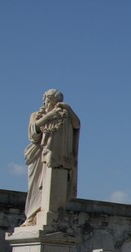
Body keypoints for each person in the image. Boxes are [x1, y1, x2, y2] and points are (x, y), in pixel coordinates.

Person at [23, 89, 80, 225]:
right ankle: (32, 216)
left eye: (52, 101)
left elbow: (77, 125)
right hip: (38, 155)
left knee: (55, 187)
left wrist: (69, 109)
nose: (47, 102)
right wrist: (49, 116)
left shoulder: (64, 117)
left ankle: (55, 216)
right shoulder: (36, 115)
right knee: (36, 186)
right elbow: (33, 132)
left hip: (57, 156)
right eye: (47, 100)